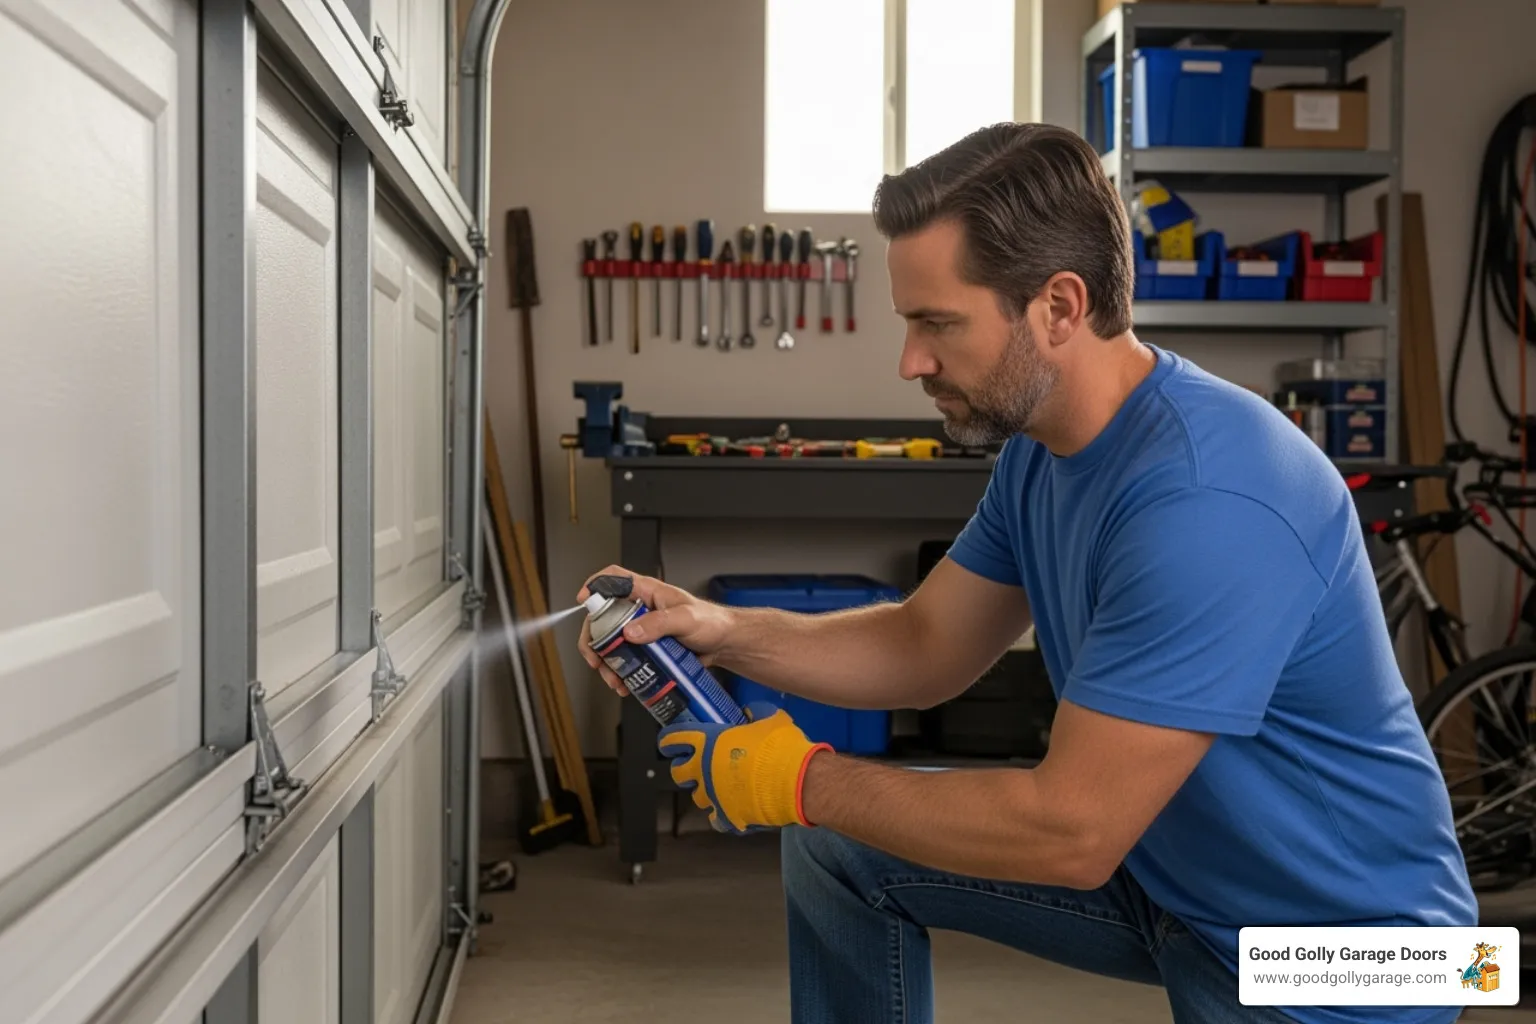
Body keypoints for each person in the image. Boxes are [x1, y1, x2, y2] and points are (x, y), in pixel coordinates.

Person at [576, 123, 1475, 1024]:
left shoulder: (1210, 497)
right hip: (1177, 883)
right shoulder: (1042, 453)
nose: (910, 361)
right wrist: (722, 632)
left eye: (937, 323)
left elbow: (1071, 832)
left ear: (1059, 307)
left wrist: (800, 780)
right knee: (834, 847)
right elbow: (925, 643)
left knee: (836, 808)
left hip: (1349, 951)